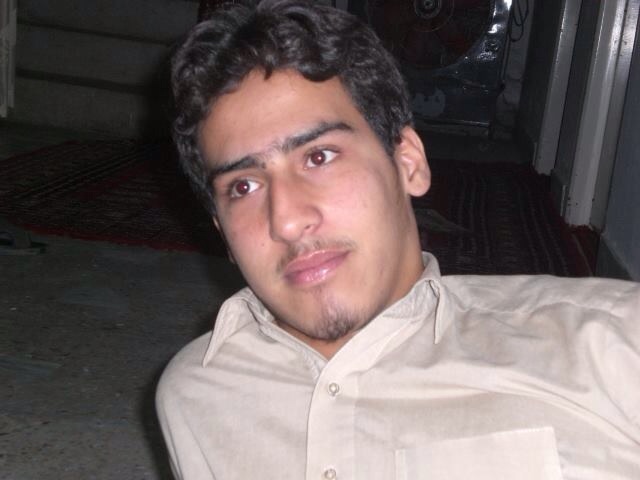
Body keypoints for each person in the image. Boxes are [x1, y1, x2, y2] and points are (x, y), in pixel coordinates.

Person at [156, 1, 640, 478]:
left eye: (319, 157)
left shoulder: (613, 345)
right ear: (221, 231)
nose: (285, 220)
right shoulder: (196, 397)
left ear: (408, 161)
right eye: (243, 186)